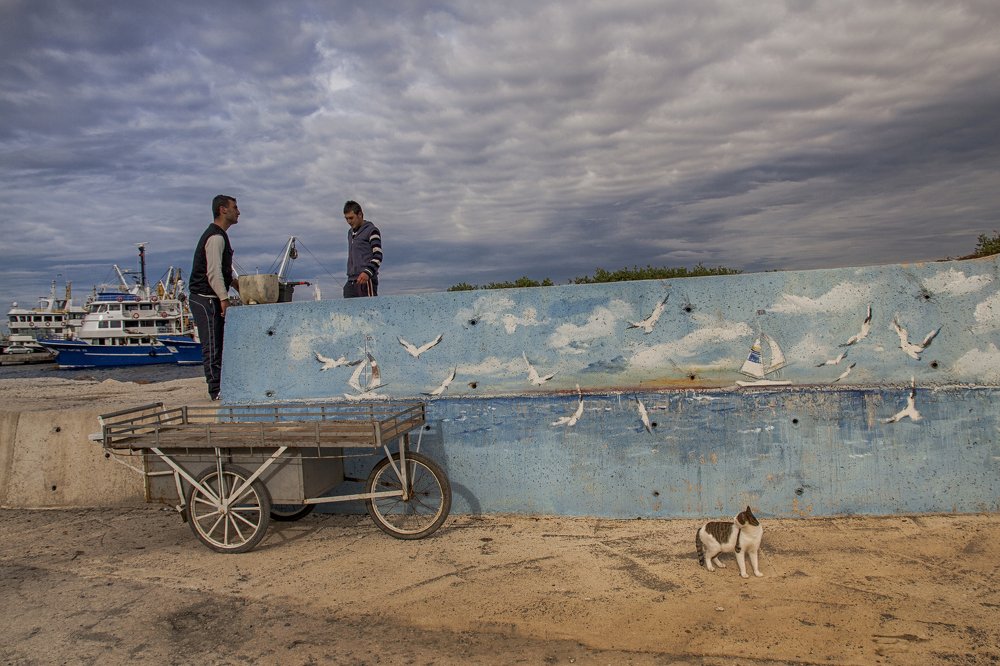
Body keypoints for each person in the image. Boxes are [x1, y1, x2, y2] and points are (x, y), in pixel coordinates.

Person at [189, 194, 241, 400]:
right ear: (223, 210)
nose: (239, 211)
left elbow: (224, 270)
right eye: (235, 207)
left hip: (210, 296)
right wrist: (224, 299)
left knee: (220, 344)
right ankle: (216, 390)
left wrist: (239, 285)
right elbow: (213, 272)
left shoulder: (221, 236)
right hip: (204, 297)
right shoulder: (216, 237)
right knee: (212, 345)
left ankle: (222, 386)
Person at [343, 200, 382, 297]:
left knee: (369, 312)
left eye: (351, 218)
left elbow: (378, 255)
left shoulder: (372, 231)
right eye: (346, 219)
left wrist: (367, 273)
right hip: (351, 281)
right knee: (348, 311)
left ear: (360, 214)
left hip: (366, 281)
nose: (349, 222)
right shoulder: (350, 233)